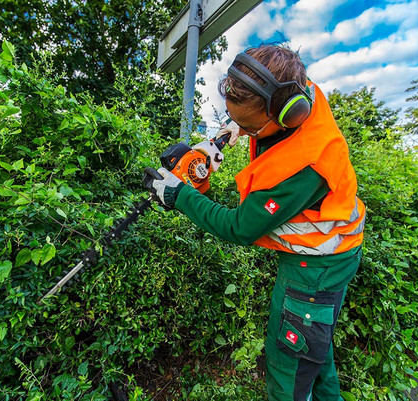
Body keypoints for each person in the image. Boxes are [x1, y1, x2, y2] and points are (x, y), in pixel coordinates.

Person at [146, 44, 365, 401]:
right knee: (314, 350)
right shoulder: (298, 92)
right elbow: (261, 129)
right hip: (338, 253)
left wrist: (179, 195)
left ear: (285, 114)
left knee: (289, 360)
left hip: (316, 266)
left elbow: (240, 227)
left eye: (249, 126)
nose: (244, 132)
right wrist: (230, 132)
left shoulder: (305, 167)